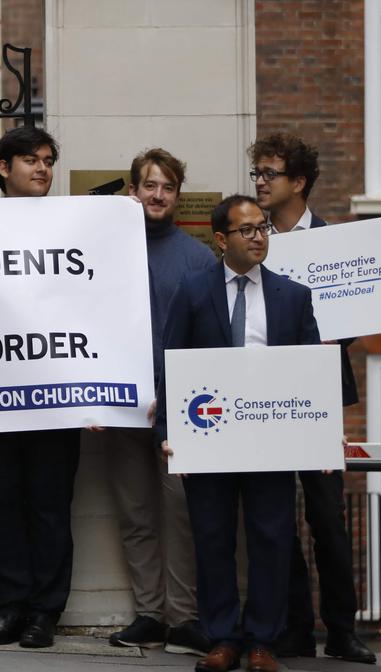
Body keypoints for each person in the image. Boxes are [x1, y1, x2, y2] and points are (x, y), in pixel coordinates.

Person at [160, 195, 319, 672]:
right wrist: (169, 433)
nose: (258, 237)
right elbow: (173, 364)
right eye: (246, 230)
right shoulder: (192, 290)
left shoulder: (293, 295)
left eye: (262, 228)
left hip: (270, 440)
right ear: (222, 239)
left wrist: (322, 433)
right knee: (212, 538)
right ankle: (223, 638)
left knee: (271, 538)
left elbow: (310, 373)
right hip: (209, 437)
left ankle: (262, 643)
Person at [248, 133, 375, 664]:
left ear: (298, 182)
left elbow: (353, 318)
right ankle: (295, 627)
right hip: (265, 396)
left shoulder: (333, 243)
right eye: (256, 172)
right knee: (276, 518)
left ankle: (343, 632)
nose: (259, 181)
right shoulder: (251, 241)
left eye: (269, 173)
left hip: (319, 394)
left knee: (326, 518)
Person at [0, 126, 77, 649]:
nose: (42, 169)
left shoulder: (72, 224)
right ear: (3, 168)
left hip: (54, 396)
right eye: (30, 160)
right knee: (2, 503)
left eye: (48, 160)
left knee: (50, 505)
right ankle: (9, 606)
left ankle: (44, 612)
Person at [106, 149, 215, 654]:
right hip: (122, 409)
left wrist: (173, 397)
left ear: (176, 194)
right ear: (132, 191)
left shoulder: (197, 259)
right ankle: (149, 613)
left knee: (182, 515)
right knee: (136, 515)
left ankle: (184, 617)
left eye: (167, 187)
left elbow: (208, 339)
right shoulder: (104, 251)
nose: (157, 195)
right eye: (149, 186)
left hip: (181, 414)